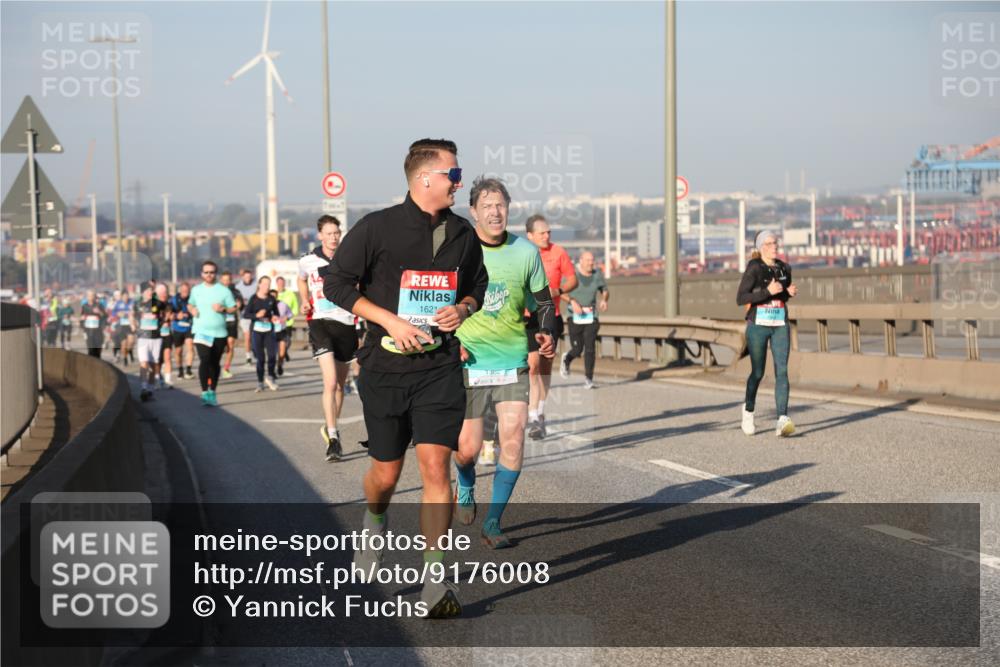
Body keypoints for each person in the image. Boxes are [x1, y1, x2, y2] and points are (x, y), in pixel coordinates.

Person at [324, 138, 487, 618]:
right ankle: (373, 522)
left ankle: (434, 581)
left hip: (439, 368)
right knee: (387, 475)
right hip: (385, 368)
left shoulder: (462, 232)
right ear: (425, 180)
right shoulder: (376, 228)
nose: (460, 183)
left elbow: (477, 285)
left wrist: (462, 308)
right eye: (453, 175)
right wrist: (389, 320)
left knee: (437, 469)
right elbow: (336, 282)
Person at [453, 177, 555, 549]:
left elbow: (544, 303)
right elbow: (435, 303)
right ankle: (465, 482)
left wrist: (546, 332)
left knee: (513, 438)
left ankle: (493, 523)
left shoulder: (526, 252)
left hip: (511, 360)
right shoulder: (459, 252)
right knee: (467, 449)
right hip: (469, 361)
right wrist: (450, 343)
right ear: (474, 212)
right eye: (487, 205)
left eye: (501, 205)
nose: (495, 212)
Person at [299, 215, 359, 461]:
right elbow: (301, 280)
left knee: (340, 385)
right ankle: (333, 438)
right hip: (320, 321)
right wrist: (304, 300)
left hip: (345, 322)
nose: (334, 237)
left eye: (337, 233)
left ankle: (330, 425)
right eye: (329, 233)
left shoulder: (350, 258)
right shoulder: (307, 260)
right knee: (331, 381)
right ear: (320, 235)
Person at [736, 230, 798, 437]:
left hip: (780, 323)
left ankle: (782, 419)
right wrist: (767, 292)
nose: (775, 246)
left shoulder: (783, 268)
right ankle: (748, 410)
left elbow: (781, 293)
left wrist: (787, 292)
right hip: (758, 325)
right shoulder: (754, 268)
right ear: (762, 246)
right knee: (758, 372)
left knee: (782, 370)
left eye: (776, 243)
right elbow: (741, 297)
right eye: (771, 243)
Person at [524, 214, 577, 439]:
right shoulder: (523, 253)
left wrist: (560, 291)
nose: (547, 236)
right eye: (542, 233)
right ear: (530, 236)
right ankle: (532, 415)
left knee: (545, 367)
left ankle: (540, 412)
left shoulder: (559, 252)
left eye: (549, 232)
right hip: (529, 317)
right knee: (533, 364)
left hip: (552, 316)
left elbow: (573, 279)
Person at [188, 261, 238, 406]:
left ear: (215, 274)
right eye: (206, 272)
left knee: (215, 363)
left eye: (212, 272)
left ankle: (212, 391)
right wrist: (192, 310)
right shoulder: (196, 289)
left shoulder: (224, 291)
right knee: (205, 359)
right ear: (202, 274)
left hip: (219, 333)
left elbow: (233, 308)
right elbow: (190, 303)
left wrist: (223, 309)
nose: (209, 275)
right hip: (201, 331)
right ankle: (204, 392)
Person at [560, 251, 608, 389]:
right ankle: (567, 359)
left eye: (592, 260)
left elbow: (605, 289)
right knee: (578, 348)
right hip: (574, 316)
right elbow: (561, 292)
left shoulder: (597, 274)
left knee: (590, 348)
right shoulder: (572, 275)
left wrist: (604, 299)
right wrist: (572, 302)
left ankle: (589, 379)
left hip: (591, 316)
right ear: (580, 260)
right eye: (588, 260)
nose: (590, 263)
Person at [243, 276, 281, 392]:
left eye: (268, 285)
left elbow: (276, 313)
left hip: (269, 330)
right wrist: (256, 315)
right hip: (257, 331)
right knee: (260, 358)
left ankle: (270, 377)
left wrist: (274, 317)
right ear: (259, 285)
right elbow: (245, 314)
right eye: (264, 284)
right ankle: (260, 382)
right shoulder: (253, 299)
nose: (267, 287)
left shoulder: (271, 299)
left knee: (272, 356)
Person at [134, 285, 167, 401]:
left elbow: (166, 313)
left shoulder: (158, 303)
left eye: (151, 291)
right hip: (143, 337)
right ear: (142, 292)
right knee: (144, 362)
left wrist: (164, 322)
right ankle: (143, 388)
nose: (149, 292)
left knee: (153, 365)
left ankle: (151, 388)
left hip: (156, 338)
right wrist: (133, 325)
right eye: (147, 290)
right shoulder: (137, 304)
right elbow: (132, 315)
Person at [220, 271, 244, 380]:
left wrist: (240, 305)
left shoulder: (236, 292)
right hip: (219, 323)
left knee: (230, 344)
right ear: (221, 280)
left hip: (232, 322)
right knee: (219, 347)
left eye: (228, 280)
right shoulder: (216, 292)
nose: (226, 282)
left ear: (231, 280)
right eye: (224, 280)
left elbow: (241, 305)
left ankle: (226, 369)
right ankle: (215, 366)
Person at [274, 276, 298, 374]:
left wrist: (289, 317)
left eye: (282, 283)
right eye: (279, 283)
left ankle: (283, 354)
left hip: (287, 323)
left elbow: (295, 308)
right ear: (276, 284)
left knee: (287, 343)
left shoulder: (290, 294)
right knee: (278, 346)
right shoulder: (273, 295)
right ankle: (280, 358)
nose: (281, 285)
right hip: (276, 325)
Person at [235, 268, 257, 365]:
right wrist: (239, 303)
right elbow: (235, 300)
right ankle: (248, 356)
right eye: (246, 277)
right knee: (247, 336)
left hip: (256, 315)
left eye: (249, 276)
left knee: (255, 336)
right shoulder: (238, 287)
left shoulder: (256, 285)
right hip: (244, 315)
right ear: (242, 277)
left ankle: (255, 351)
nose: (248, 278)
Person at [155, 283, 175, 388]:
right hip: (156, 334)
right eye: (161, 293)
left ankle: (168, 380)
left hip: (167, 333)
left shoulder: (169, 305)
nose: (163, 294)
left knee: (167, 357)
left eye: (165, 293)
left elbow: (174, 315)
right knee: (157, 359)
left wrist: (172, 317)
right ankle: (158, 379)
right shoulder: (154, 305)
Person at [79, 290, 108, 358]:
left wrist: (99, 312)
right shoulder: (84, 306)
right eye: (89, 296)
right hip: (88, 330)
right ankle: (92, 360)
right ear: (87, 297)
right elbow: (81, 317)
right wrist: (82, 320)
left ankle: (98, 358)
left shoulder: (99, 305)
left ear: (95, 297)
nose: (91, 297)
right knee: (90, 347)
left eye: (92, 295)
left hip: (98, 329)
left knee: (98, 346)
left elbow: (105, 315)